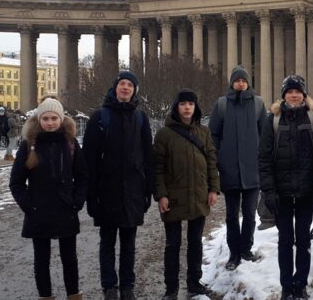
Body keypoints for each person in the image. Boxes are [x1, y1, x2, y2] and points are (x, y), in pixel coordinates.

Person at [83, 71, 154, 300]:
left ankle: (127, 286)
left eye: (130, 85)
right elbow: (89, 160)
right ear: (115, 88)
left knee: (129, 243)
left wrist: (147, 190)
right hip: (107, 190)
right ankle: (109, 286)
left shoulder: (141, 118)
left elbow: (147, 157)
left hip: (132, 190)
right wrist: (91, 195)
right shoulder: (99, 118)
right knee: (107, 242)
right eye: (122, 84)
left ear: (135, 90)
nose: (125, 88)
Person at [9, 97, 87, 300]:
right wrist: (29, 207)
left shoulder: (70, 145)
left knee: (69, 259)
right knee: (41, 260)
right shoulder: (28, 146)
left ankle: (73, 295)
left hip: (65, 210)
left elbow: (82, 177)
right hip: (39, 212)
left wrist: (77, 202)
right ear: (39, 120)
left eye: (54, 118)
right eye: (46, 118)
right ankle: (45, 296)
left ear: (61, 119)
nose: (50, 122)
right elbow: (16, 182)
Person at [260, 75, 313, 300]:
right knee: (284, 241)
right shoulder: (272, 121)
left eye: (297, 91)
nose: (293, 95)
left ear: (303, 94)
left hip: (305, 193)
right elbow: (264, 160)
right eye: (289, 91)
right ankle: (286, 286)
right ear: (283, 95)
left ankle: (300, 285)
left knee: (303, 240)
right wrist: (269, 191)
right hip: (281, 193)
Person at [153, 89, 220, 300]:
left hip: (198, 194)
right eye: (183, 104)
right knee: (173, 244)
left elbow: (211, 162)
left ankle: (194, 283)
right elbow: (157, 168)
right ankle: (171, 289)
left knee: (195, 242)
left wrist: (213, 189)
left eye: (190, 103)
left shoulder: (203, 132)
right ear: (176, 107)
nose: (187, 107)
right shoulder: (164, 134)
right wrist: (161, 195)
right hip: (173, 197)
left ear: (195, 107)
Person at [209, 65, 266, 271]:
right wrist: (218, 160)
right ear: (232, 83)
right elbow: (213, 135)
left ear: (247, 82)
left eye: (243, 80)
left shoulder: (258, 104)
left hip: (252, 170)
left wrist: (262, 162)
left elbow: (265, 136)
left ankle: (246, 249)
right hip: (230, 169)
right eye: (237, 80)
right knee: (232, 215)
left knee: (250, 214)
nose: (240, 83)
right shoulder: (222, 104)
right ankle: (234, 252)